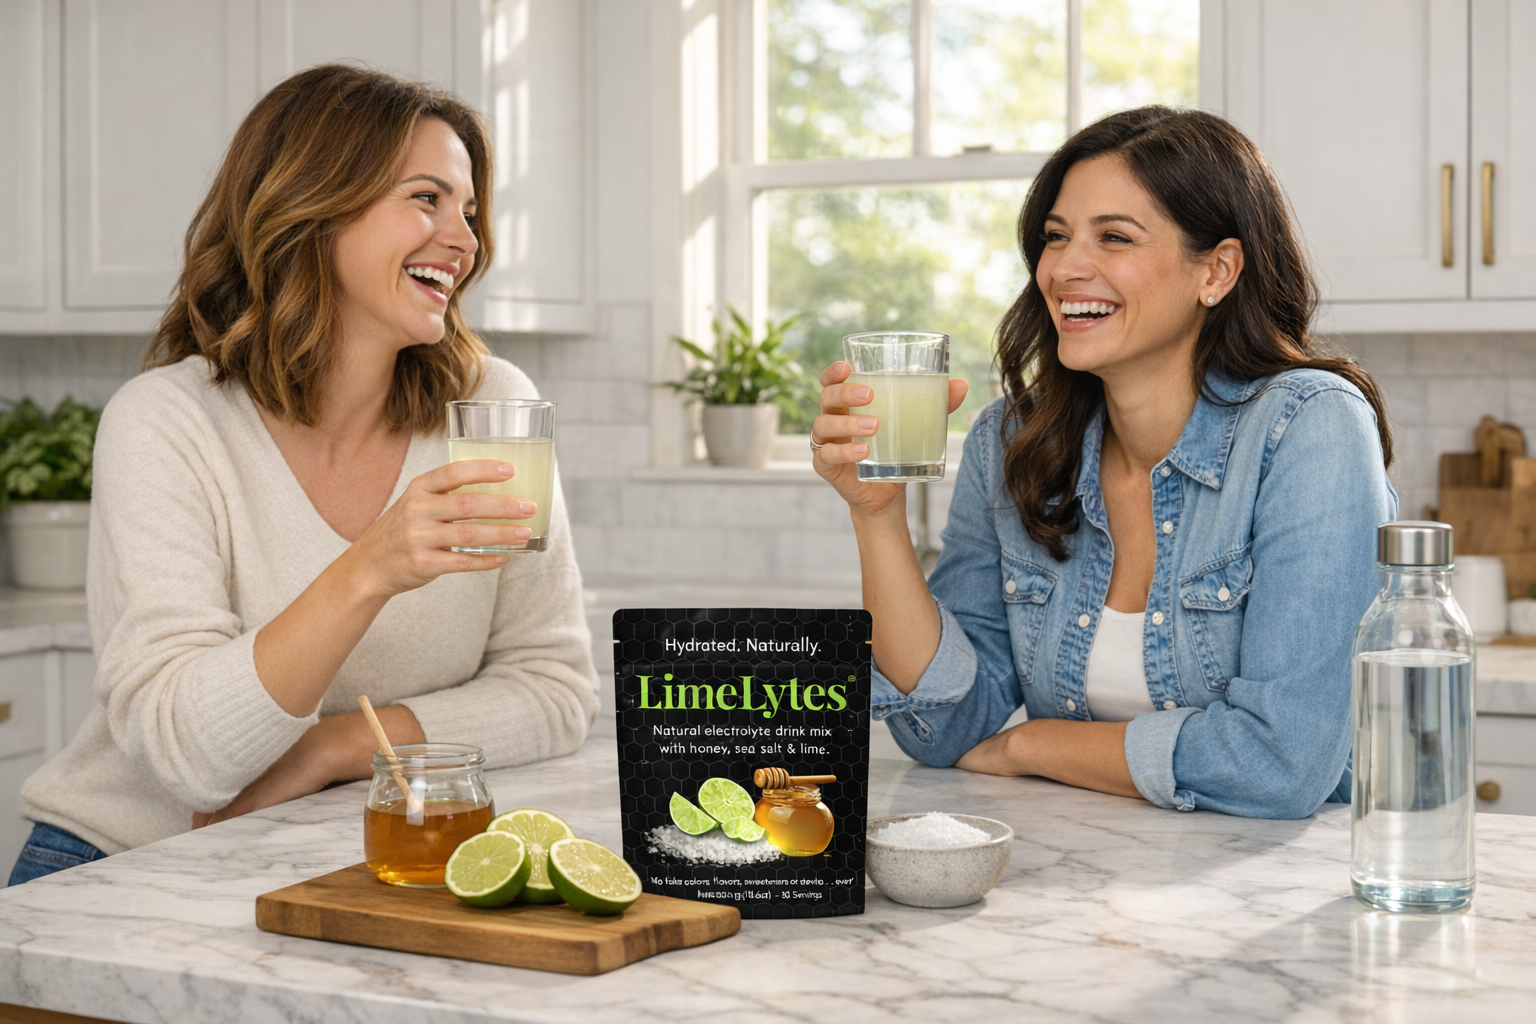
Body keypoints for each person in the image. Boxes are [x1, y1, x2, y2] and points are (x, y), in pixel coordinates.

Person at [10, 66, 598, 883]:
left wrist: (332, 747)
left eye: (467, 209)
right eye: (426, 199)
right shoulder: (167, 424)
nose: (466, 241)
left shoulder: (492, 407)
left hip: (329, 854)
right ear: (311, 206)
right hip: (127, 864)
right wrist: (370, 569)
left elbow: (554, 691)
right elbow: (192, 760)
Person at [810, 106, 1396, 819]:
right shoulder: (1015, 442)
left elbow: (1284, 762)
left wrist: (1031, 747)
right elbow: (947, 724)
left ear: (1217, 270)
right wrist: (875, 516)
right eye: (1056, 238)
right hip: (1084, 880)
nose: (1065, 268)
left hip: (1277, 892)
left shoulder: (1309, 426)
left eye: (1113, 237)